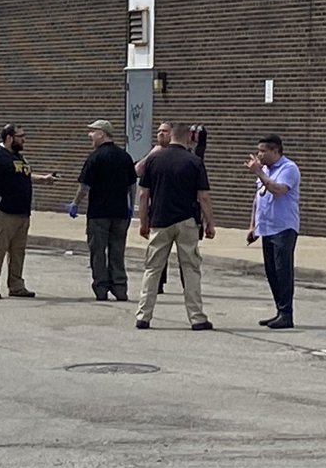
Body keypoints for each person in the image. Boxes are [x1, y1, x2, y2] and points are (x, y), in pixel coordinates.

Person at [135, 121, 217, 330]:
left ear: (171, 135)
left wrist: (143, 222)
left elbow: (143, 194)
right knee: (190, 268)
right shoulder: (194, 161)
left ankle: (144, 315)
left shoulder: (153, 160)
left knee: (153, 268)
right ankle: (197, 317)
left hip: (160, 220)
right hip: (187, 220)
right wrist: (210, 223)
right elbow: (204, 197)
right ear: (189, 137)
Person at [0, 123, 55, 300]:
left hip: (21, 213)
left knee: (18, 252)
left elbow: (21, 176)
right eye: (21, 136)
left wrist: (43, 179)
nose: (24, 139)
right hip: (3, 213)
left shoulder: (19, 157)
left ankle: (17, 286)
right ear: (10, 138)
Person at [68, 120, 137, 301]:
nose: (90, 135)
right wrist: (131, 205)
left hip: (99, 214)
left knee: (98, 252)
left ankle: (101, 287)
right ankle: (120, 287)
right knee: (117, 251)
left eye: (93, 132)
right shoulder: (124, 156)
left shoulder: (95, 158)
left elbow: (84, 186)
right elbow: (132, 184)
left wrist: (75, 203)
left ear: (102, 134)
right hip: (120, 213)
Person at [245, 134, 300, 329]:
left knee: (282, 271)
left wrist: (259, 173)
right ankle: (279, 311)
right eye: (259, 150)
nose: (259, 155)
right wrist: (253, 226)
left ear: (275, 151)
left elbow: (279, 190)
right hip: (266, 227)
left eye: (263, 151)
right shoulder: (266, 170)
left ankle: (287, 313)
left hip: (284, 227)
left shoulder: (288, 169)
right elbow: (257, 199)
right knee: (271, 272)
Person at [135, 121, 172, 293]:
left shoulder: (181, 154)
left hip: (180, 210)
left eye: (164, 131)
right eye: (158, 131)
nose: (160, 134)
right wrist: (150, 155)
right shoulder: (154, 155)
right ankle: (158, 283)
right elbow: (137, 170)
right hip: (158, 209)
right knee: (157, 250)